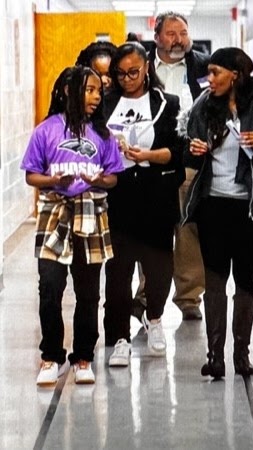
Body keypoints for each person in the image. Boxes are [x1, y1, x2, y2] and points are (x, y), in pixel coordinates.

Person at [178, 47, 253, 378]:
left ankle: (241, 354)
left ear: (235, 74)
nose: (209, 80)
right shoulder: (204, 105)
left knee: (246, 276)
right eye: (208, 73)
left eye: (215, 73)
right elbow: (189, 152)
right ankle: (214, 355)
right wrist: (194, 149)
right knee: (214, 276)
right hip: (213, 202)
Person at [21, 65, 124, 386]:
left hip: (90, 212)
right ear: (68, 91)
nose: (96, 96)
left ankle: (82, 357)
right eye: (89, 90)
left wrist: (99, 179)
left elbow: (113, 177)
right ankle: (51, 356)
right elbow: (31, 175)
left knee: (88, 290)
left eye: (98, 91)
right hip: (54, 212)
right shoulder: (46, 130)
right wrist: (54, 179)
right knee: (50, 286)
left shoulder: (102, 134)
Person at [103, 42, 185, 367]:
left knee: (158, 265)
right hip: (118, 196)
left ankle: (154, 319)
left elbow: (178, 151)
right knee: (118, 269)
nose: (127, 79)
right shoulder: (105, 104)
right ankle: (120, 336)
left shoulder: (168, 103)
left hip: (156, 195)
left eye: (133, 72)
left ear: (147, 67)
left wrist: (148, 156)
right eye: (120, 74)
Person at [131, 11, 210, 322]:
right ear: (157, 37)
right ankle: (147, 293)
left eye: (183, 33)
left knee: (189, 230)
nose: (179, 40)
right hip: (153, 161)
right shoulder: (142, 65)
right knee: (153, 230)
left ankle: (189, 297)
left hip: (192, 160)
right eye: (172, 33)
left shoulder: (203, 66)